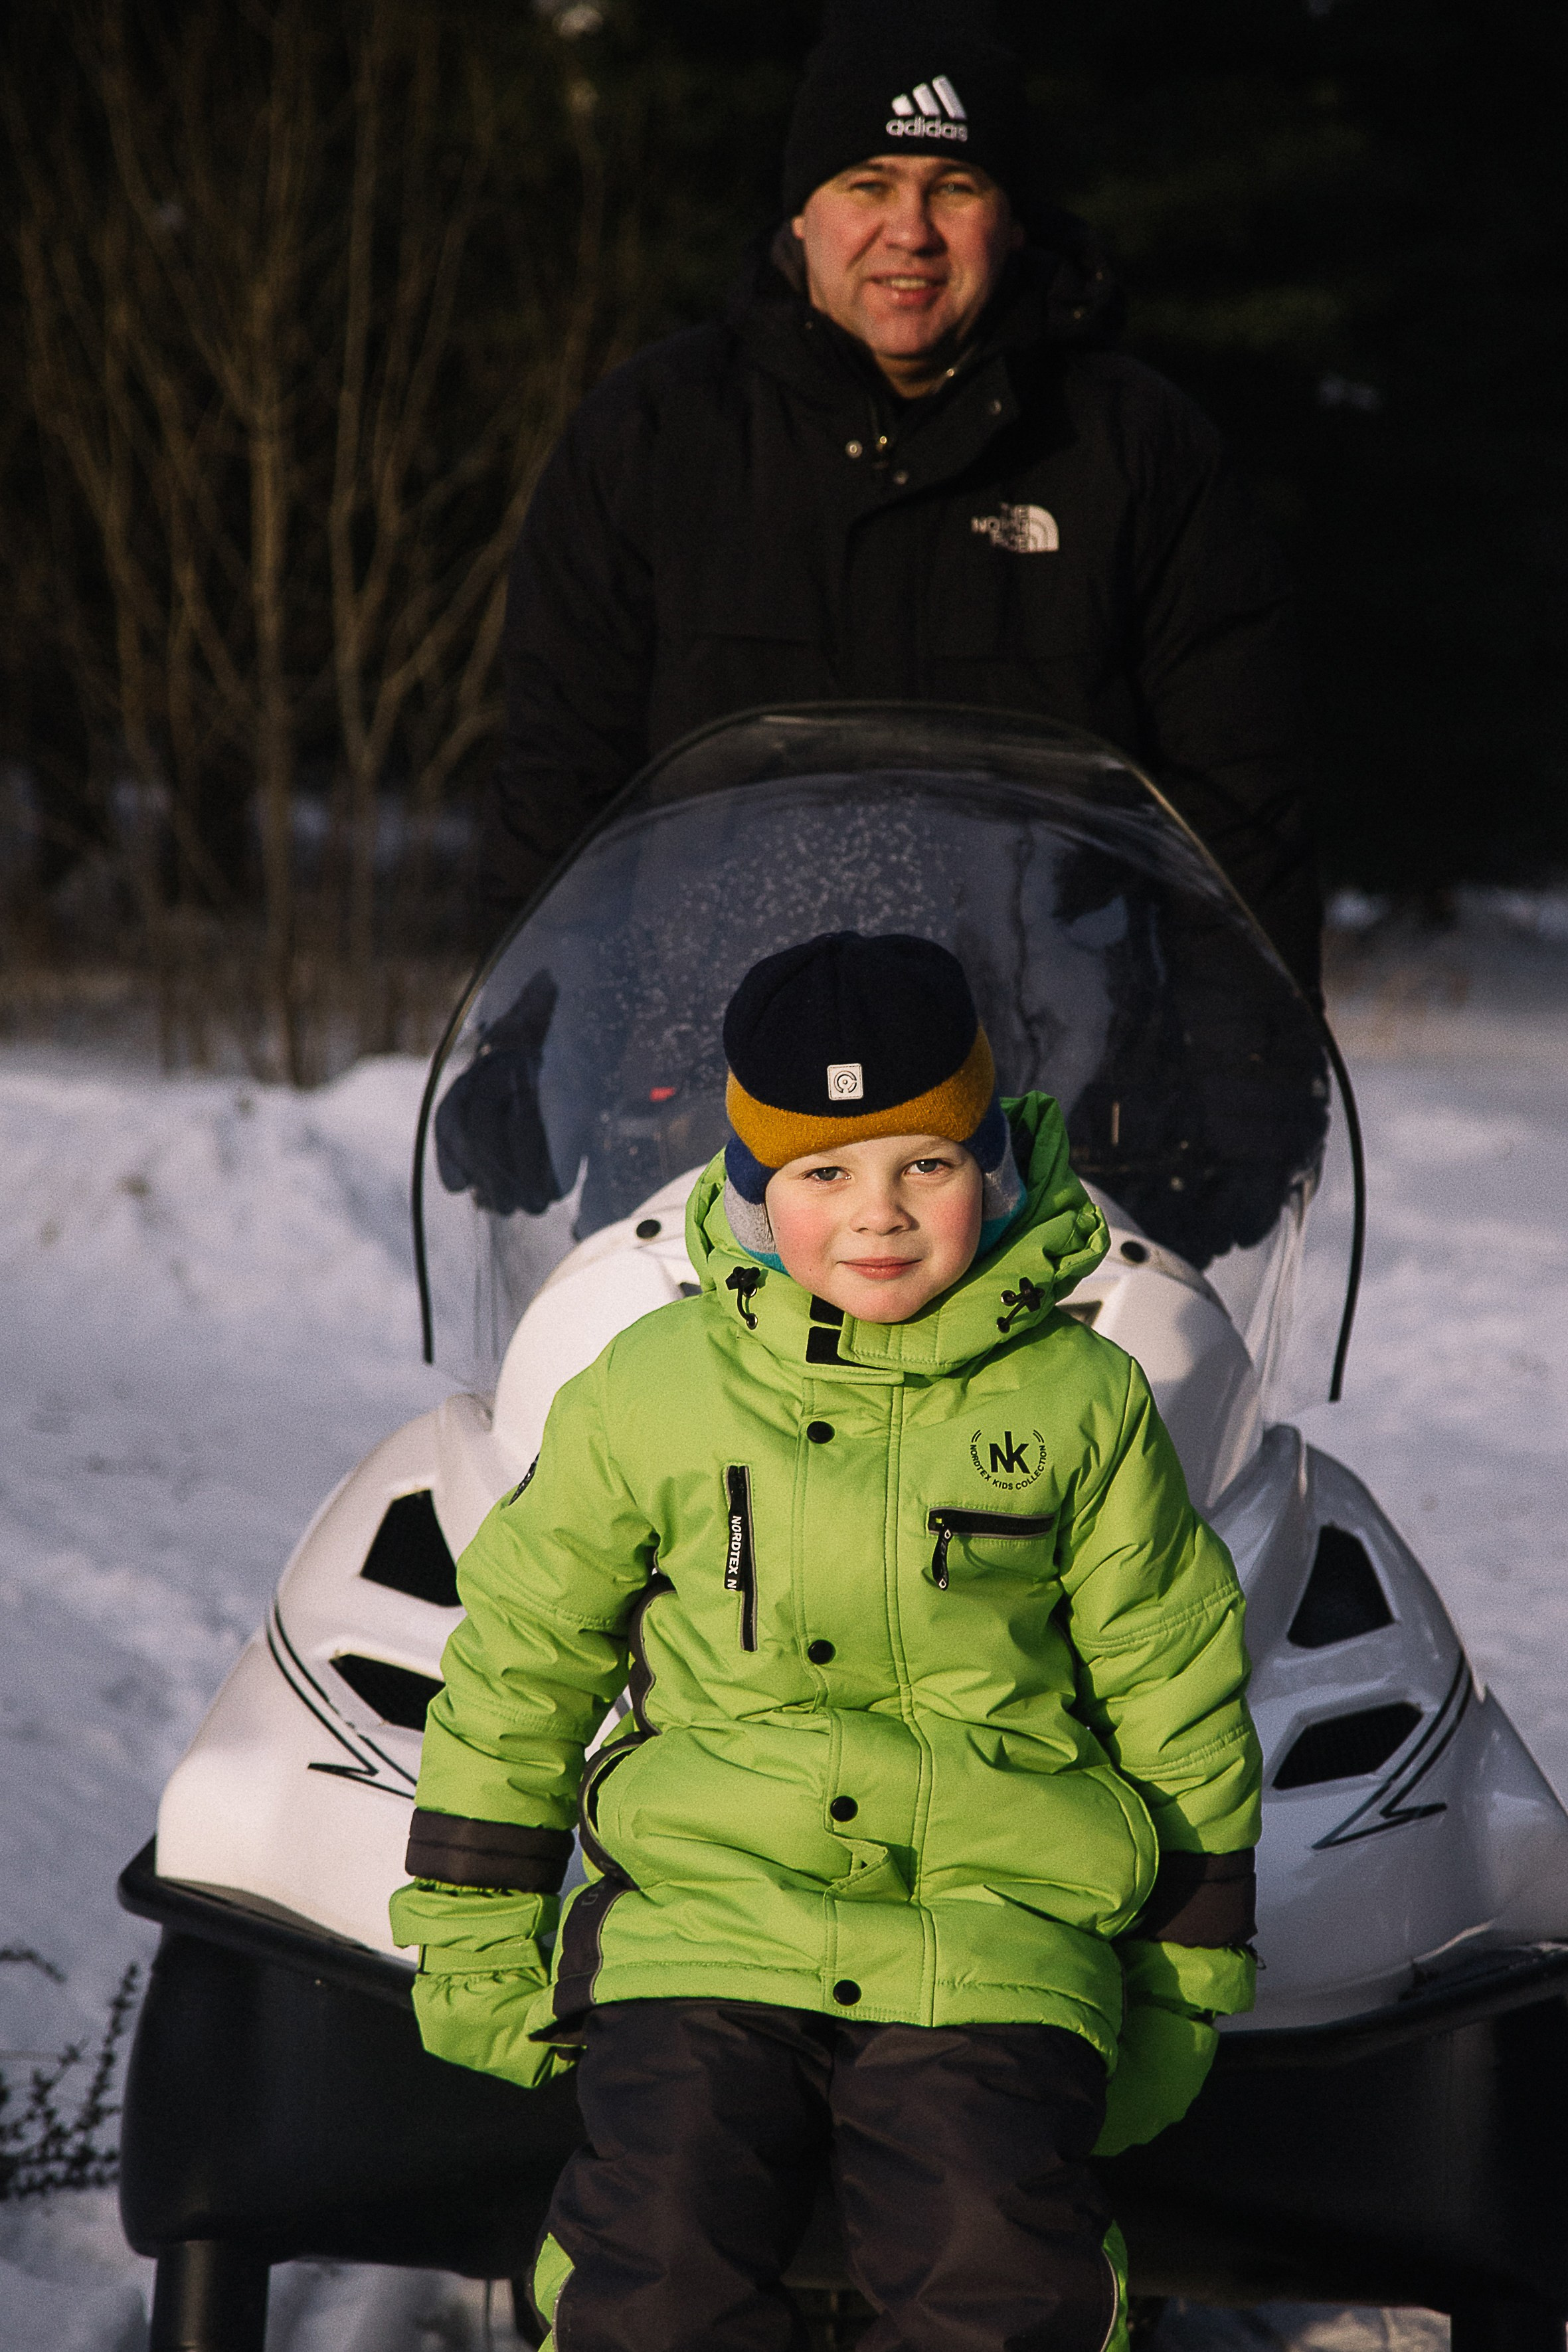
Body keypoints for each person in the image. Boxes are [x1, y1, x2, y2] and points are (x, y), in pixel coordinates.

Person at [391, 931, 1263, 2352]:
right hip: (704, 1922)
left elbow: (1172, 1681)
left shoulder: (1081, 1400)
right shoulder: (652, 1392)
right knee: (654, 2250)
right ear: (748, 1189)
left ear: (994, 1161)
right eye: (821, 1172)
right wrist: (475, 1924)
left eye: (925, 1161)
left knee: (999, 2257)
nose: (877, 1213)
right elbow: (523, 1657)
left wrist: (1183, 1974)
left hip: (988, 1929)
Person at [482, 0, 1321, 997]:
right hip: (712, 1078)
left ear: (1010, 219)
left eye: (953, 185)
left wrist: (1247, 1073)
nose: (909, 232)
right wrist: (521, 1031)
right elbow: (557, 777)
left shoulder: (1135, 452)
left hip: (1053, 1083)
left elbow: (1236, 806)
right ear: (803, 211)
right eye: (867, 184)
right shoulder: (653, 438)